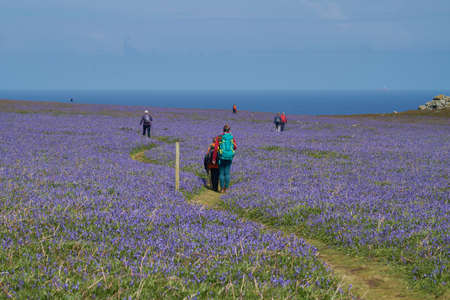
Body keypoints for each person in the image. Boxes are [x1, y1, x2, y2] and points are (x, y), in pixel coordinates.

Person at [213, 125, 237, 193]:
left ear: (223, 130)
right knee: (227, 173)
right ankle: (226, 188)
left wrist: (214, 159)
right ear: (229, 130)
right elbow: (235, 147)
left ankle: (221, 189)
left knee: (221, 173)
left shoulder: (219, 137)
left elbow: (215, 149)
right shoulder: (231, 137)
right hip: (229, 158)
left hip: (221, 157)